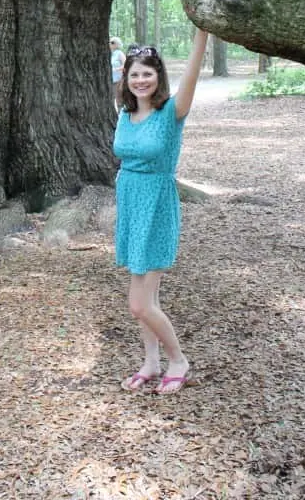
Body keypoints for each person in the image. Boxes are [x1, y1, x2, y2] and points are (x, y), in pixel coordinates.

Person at [114, 29, 209, 395]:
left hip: (155, 207)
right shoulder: (126, 113)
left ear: (158, 77)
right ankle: (151, 362)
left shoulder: (172, 111)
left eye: (147, 73)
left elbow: (193, 74)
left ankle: (178, 360)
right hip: (131, 207)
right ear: (127, 78)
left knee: (138, 304)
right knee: (146, 301)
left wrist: (201, 32)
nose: (141, 80)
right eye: (135, 74)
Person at [109, 37, 125, 107]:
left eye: (112, 42)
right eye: (110, 42)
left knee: (119, 100)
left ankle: (121, 115)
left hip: (118, 80)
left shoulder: (120, 53)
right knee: (110, 100)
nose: (110, 44)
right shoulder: (110, 54)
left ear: (117, 44)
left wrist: (116, 69)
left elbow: (126, 65)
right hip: (110, 81)